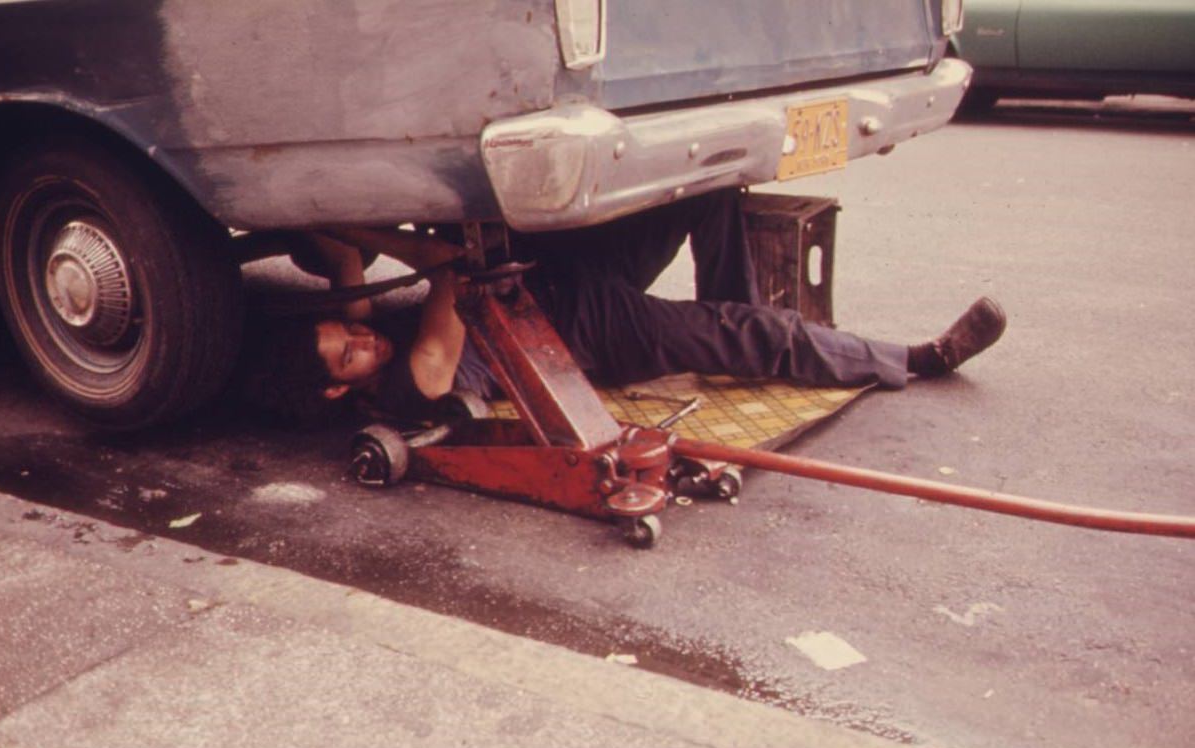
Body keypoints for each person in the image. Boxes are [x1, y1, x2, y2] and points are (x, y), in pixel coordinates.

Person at [240, 190, 1006, 424]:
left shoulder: (359, 344)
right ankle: (916, 359)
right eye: (347, 353)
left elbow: (343, 265)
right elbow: (448, 268)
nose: (359, 340)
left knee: (707, 197)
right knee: (751, 335)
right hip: (574, 333)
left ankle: (727, 326)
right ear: (342, 387)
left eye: (345, 331)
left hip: (560, 277)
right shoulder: (409, 391)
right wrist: (409, 239)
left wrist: (319, 216)